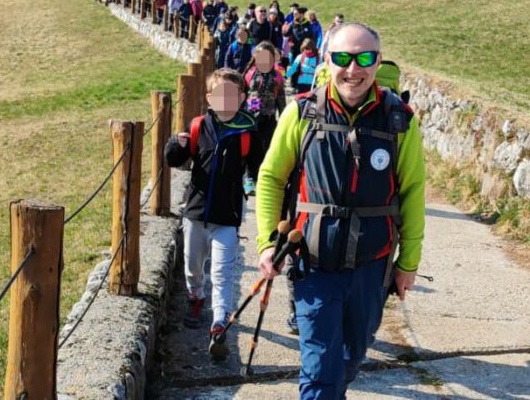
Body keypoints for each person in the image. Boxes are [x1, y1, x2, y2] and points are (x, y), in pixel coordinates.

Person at [255, 23, 426, 399]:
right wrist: (267, 243)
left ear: (378, 61)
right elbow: (269, 178)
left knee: (350, 357)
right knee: (319, 369)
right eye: (343, 58)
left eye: (364, 58)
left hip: (372, 266)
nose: (354, 69)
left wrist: (407, 263)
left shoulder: (400, 120)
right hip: (313, 263)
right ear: (327, 60)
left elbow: (413, 192)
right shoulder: (301, 113)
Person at [165, 69, 259, 360]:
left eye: (233, 95)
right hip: (195, 213)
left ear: (242, 98)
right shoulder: (198, 126)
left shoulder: (248, 132)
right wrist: (175, 145)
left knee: (222, 271)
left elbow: (258, 170)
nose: (226, 100)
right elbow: (174, 161)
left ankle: (220, 322)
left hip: (227, 218)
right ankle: (196, 297)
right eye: (220, 94)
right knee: (193, 266)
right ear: (209, 97)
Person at [243, 42, 286, 196]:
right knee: (251, 148)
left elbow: (281, 97)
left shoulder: (278, 76)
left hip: (269, 117)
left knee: (266, 149)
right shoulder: (250, 74)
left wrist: (284, 116)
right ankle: (250, 178)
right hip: (251, 117)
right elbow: (243, 95)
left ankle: (262, 179)